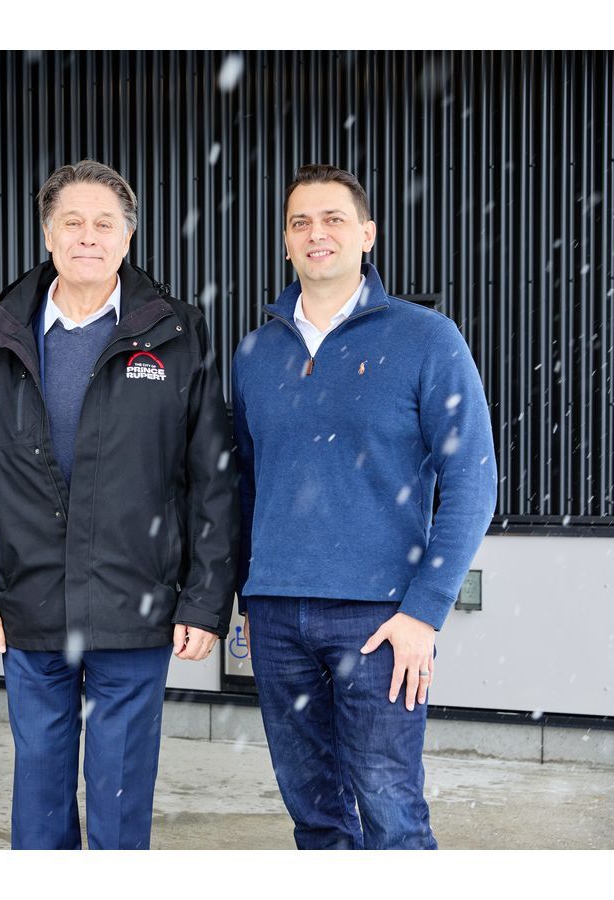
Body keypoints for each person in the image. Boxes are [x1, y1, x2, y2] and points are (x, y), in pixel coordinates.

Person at [0, 160, 238, 850]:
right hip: (31, 602)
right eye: (72, 222)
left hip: (134, 602)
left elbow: (211, 478)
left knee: (118, 795)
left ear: (128, 237)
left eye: (103, 223)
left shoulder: (176, 333)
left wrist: (203, 601)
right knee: (40, 797)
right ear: (47, 233)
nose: (88, 236)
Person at [232, 164, 498, 850]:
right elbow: (245, 485)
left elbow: (471, 478)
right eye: (300, 223)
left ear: (367, 234)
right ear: (286, 242)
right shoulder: (256, 352)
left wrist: (423, 611)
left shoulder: (426, 338)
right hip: (277, 617)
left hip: (381, 621)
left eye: (333, 220)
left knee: (390, 814)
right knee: (314, 816)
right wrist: (247, 596)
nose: (316, 234)